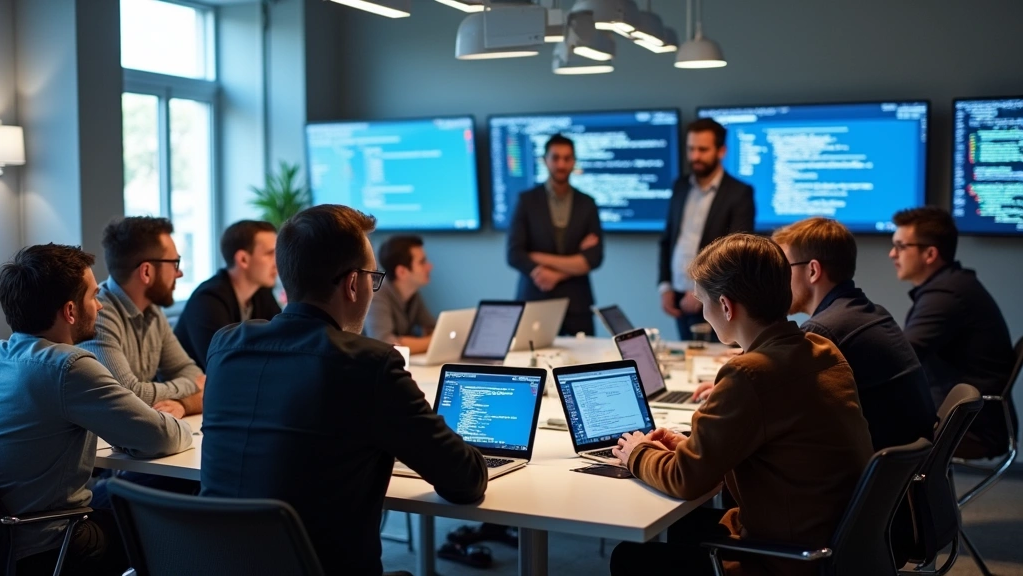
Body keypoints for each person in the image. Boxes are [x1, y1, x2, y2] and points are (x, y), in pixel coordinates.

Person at [199, 205, 488, 576]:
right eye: (373, 277)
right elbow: (464, 482)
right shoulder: (369, 364)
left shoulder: (226, 346)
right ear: (353, 284)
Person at [610, 233, 873, 576]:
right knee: (685, 528)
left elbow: (685, 480)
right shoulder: (822, 349)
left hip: (791, 558)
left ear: (725, 306)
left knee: (629, 558)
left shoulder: (748, 374)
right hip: (839, 542)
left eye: (702, 302)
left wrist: (637, 454)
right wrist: (692, 447)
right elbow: (775, 442)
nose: (703, 313)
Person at [0, 244, 192, 576]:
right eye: (93, 296)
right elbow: (165, 436)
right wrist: (163, 421)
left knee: (131, 483)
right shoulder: (67, 367)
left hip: (10, 538)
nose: (100, 305)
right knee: (177, 505)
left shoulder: (6, 356)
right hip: (52, 543)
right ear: (71, 311)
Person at [764, 217, 936, 451]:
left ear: (813, 270)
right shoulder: (866, 312)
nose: (777, 281)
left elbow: (778, 407)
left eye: (784, 270)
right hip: (898, 469)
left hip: (869, 471)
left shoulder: (823, 332)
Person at [891, 206, 1016, 459]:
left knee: (867, 428)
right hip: (970, 417)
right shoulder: (952, 286)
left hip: (972, 427)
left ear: (930, 254)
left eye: (901, 246)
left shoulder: (946, 295)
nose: (892, 254)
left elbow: (901, 356)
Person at [78, 216, 205, 418]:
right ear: (146, 271)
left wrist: (181, 402)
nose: (179, 273)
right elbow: (126, 395)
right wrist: (190, 386)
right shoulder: (99, 314)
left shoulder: (153, 311)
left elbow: (188, 369)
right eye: (174, 263)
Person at [658, 118, 755, 340]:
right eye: (691, 149)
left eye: (703, 149)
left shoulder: (739, 193)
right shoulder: (680, 186)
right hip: (678, 297)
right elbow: (668, 239)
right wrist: (664, 287)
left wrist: (702, 290)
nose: (695, 157)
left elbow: (736, 253)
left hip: (716, 299)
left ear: (721, 151)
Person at [507, 134, 604, 336]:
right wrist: (572, 260)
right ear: (545, 160)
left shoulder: (587, 204)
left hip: (577, 304)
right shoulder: (527, 201)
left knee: (586, 363)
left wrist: (542, 260)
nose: (561, 164)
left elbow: (594, 258)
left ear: (573, 161)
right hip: (535, 299)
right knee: (530, 365)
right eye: (555, 157)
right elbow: (514, 254)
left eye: (567, 158)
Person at [174, 220, 282, 370]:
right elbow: (223, 366)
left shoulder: (261, 292)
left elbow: (283, 342)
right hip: (197, 390)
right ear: (243, 259)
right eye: (270, 254)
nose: (277, 262)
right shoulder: (207, 300)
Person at [365, 234, 436, 353]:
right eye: (422, 262)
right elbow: (385, 344)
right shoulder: (377, 295)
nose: (429, 267)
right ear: (402, 272)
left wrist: (429, 338)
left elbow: (432, 328)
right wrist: (432, 341)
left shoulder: (413, 294)